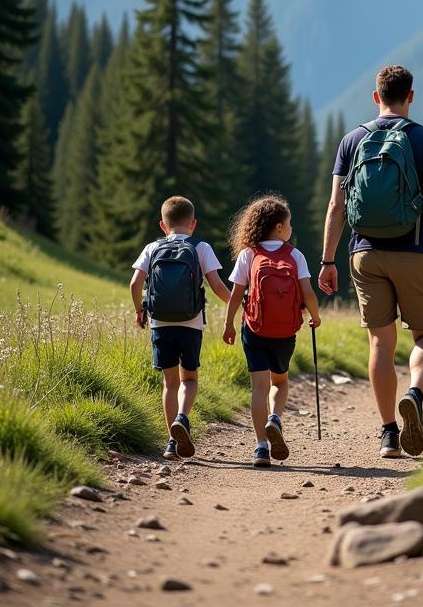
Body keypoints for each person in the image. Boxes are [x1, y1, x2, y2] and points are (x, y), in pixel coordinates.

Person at [318, 64, 423, 459]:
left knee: (381, 342)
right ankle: (414, 393)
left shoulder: (352, 140)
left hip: (364, 253)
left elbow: (335, 206)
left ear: (375, 96)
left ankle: (387, 434)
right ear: (411, 96)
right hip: (413, 251)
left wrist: (327, 260)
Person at [222, 194, 321, 467]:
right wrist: (315, 316)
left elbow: (236, 294)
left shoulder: (248, 254)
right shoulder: (294, 255)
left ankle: (261, 447)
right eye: (289, 223)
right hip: (285, 331)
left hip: (255, 328)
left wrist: (229, 323)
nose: (291, 228)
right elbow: (308, 292)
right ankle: (275, 418)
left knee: (258, 387)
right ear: (278, 227)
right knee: (280, 381)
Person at [129, 196, 231, 460]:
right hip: (190, 323)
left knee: (170, 383)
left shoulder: (152, 247)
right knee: (190, 379)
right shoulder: (201, 248)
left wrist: (141, 311)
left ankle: (171, 444)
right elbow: (217, 286)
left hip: (160, 323)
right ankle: (183, 418)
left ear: (163, 225)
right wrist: (239, 304)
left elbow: (134, 284)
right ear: (193, 224)